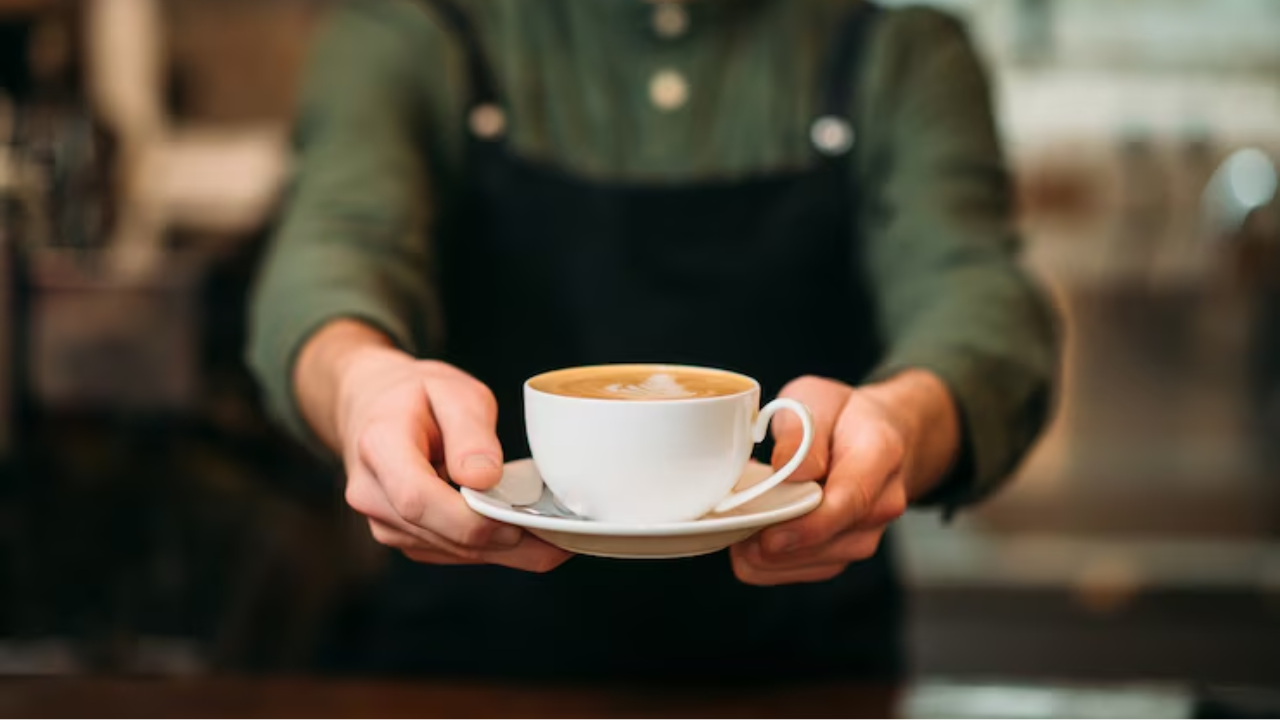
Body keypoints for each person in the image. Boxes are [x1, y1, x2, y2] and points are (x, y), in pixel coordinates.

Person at [247, 0, 1058, 682]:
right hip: (473, 664)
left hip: (802, 667)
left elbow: (975, 292)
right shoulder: (410, 34)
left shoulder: (902, 51)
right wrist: (362, 384)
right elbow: (332, 252)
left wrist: (905, 420)